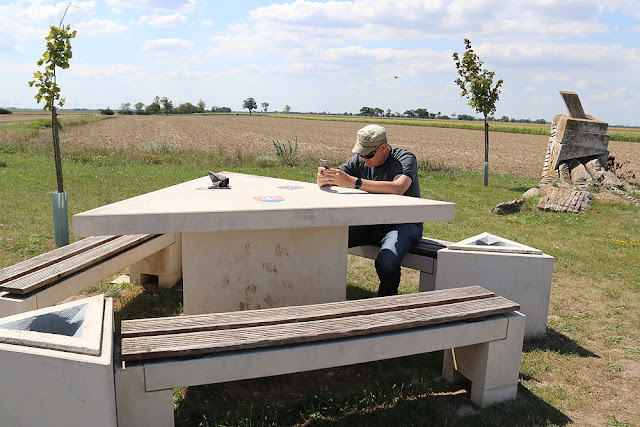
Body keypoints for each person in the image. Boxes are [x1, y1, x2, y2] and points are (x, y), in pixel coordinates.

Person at [317, 124, 422, 296]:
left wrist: (354, 182)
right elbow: (336, 178)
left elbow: (398, 188)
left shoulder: (405, 158)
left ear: (383, 147)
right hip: (370, 221)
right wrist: (325, 177)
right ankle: (321, 293)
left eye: (369, 154)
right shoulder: (360, 159)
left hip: (404, 223)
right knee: (327, 241)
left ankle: (386, 304)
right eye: (360, 153)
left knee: (386, 261)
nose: (364, 159)